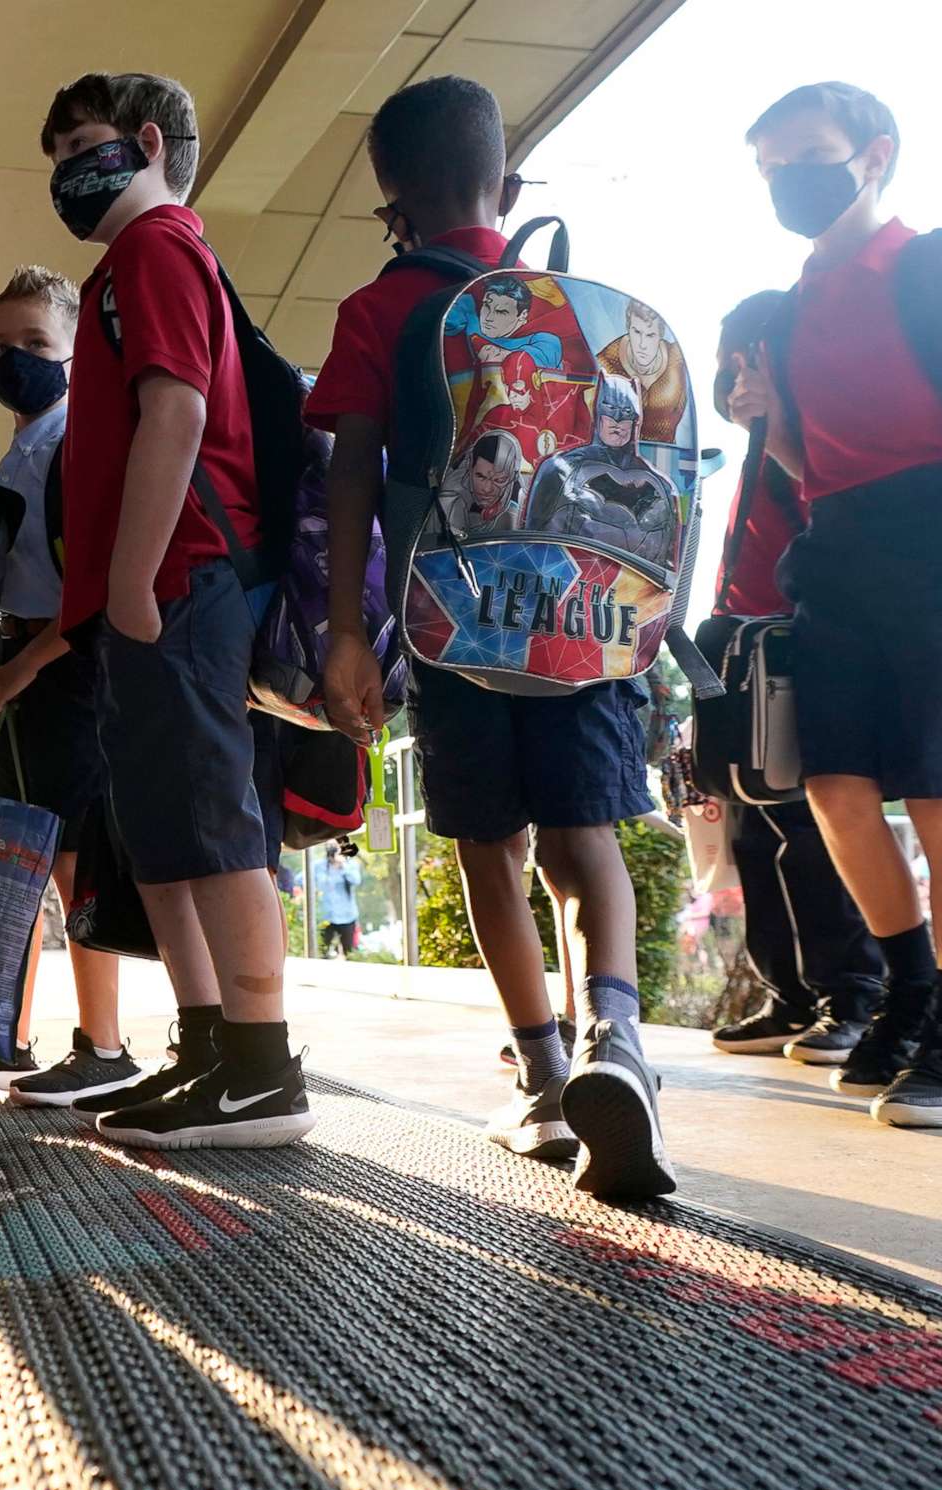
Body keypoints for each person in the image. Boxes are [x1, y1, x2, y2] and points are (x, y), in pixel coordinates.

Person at [314, 74, 673, 1200]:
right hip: (581, 615)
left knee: (490, 849)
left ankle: (541, 1077)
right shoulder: (582, 306)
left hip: (455, 621)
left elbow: (352, 477)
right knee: (585, 845)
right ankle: (617, 1037)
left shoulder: (379, 310)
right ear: (506, 183)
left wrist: (344, 633)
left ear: (390, 200)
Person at [751, 80, 942, 1132]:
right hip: (839, 550)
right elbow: (812, 467)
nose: (789, 182)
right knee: (834, 789)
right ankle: (913, 995)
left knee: (940, 791)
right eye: (771, 168)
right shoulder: (792, 306)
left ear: (874, 155)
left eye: (808, 157)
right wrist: (771, 424)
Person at [32, 71, 311, 1149]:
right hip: (155, 588)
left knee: (213, 820)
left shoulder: (155, 249)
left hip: (181, 576)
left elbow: (178, 410)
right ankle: (208, 1048)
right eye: (54, 155)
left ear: (148, 142)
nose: (65, 170)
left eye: (83, 143)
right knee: (166, 827)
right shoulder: (126, 265)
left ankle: (261, 1064)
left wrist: (137, 578)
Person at [0, 264, 144, 1109]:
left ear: (74, 350)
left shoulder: (77, 440)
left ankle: (103, 1044)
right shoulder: (22, 446)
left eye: (34, 343)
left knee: (72, 862)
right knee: (24, 856)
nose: (14, 360)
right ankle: (4, 1030)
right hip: (19, 669)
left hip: (66, 671)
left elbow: (93, 584)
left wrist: (27, 663)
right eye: (1, 344)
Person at [700, 292, 886, 1064]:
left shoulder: (812, 441)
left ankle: (853, 994)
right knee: (755, 827)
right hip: (747, 655)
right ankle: (792, 994)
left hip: (795, 654)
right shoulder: (758, 446)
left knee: (807, 831)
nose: (732, 379)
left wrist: (776, 428)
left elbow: (832, 523)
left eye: (744, 360)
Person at [523, 372, 677, 567]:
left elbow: (667, 560)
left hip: (632, 588)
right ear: (598, 413)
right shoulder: (561, 468)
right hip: (559, 579)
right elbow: (530, 539)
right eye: (611, 409)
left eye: (626, 413)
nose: (618, 420)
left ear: (635, 420)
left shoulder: (660, 485)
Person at [594, 297, 690, 444]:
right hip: (614, 462)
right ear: (628, 328)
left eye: (650, 335)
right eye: (637, 332)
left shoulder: (677, 359)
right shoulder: (605, 364)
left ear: (660, 335)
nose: (642, 344)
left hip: (666, 461)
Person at [316, 842, 363, 958]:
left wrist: (343, 866)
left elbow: (356, 881)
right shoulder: (319, 866)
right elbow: (311, 882)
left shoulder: (351, 864)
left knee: (349, 951)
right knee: (322, 950)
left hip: (347, 915)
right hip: (326, 916)